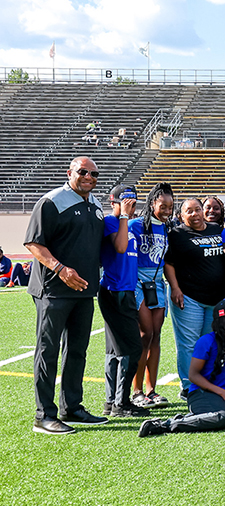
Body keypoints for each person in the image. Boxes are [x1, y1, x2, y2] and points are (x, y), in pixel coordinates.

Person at [25, 156, 108, 434]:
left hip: (84, 290)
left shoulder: (95, 203)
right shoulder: (51, 201)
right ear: (70, 172)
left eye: (94, 174)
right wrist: (60, 269)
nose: (89, 177)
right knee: (47, 351)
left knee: (77, 350)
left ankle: (72, 407)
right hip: (54, 290)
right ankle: (44, 415)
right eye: (83, 172)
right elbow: (34, 243)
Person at [138, 298, 225, 437]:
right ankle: (166, 424)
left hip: (224, 397)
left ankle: (202, 418)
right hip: (202, 394)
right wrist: (223, 393)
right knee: (221, 418)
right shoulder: (206, 341)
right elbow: (193, 375)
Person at [164, 198, 225, 396]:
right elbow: (169, 263)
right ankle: (187, 386)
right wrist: (175, 288)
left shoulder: (216, 229)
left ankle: (205, 381)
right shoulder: (176, 234)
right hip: (189, 297)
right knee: (188, 344)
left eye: (197, 209)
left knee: (208, 342)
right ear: (181, 216)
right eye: (189, 211)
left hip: (215, 299)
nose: (194, 214)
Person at [97, 185, 148, 418]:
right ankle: (121, 403)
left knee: (116, 349)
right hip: (114, 291)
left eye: (133, 202)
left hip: (126, 291)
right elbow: (119, 247)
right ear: (113, 202)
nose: (130, 206)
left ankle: (112, 402)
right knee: (131, 347)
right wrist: (124, 215)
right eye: (125, 202)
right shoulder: (111, 221)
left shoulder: (129, 226)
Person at [130, 182, 175, 409]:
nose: (167, 211)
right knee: (144, 334)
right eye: (163, 206)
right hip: (139, 282)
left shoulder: (169, 229)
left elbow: (167, 261)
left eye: (171, 206)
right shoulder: (135, 225)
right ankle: (136, 391)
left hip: (158, 284)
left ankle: (151, 390)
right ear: (152, 203)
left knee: (156, 336)